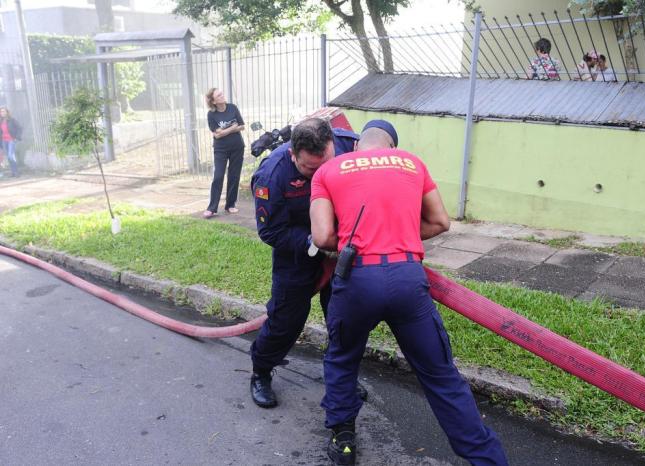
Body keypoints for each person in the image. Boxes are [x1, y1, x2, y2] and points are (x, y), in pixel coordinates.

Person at [310, 120, 509, 466]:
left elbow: (323, 236)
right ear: (391, 146)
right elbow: (441, 222)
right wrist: (401, 234)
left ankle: (343, 442)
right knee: (441, 376)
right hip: (407, 278)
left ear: (358, 145)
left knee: (342, 357)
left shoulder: (329, 170)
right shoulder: (412, 163)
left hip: (357, 280)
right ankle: (488, 460)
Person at [249, 117, 366, 408]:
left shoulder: (350, 147)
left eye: (327, 164)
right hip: (298, 254)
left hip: (342, 252)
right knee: (286, 321)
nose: (322, 175)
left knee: (344, 320)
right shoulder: (273, 173)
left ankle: (342, 378)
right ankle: (261, 371)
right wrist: (315, 243)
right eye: (311, 170)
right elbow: (270, 230)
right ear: (293, 154)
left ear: (332, 146)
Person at [203, 88, 246, 218]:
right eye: (219, 95)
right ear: (213, 101)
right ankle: (212, 208)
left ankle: (230, 205)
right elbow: (217, 135)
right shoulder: (211, 114)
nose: (222, 95)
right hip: (220, 150)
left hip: (237, 147)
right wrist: (233, 127)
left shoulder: (232, 108)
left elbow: (242, 125)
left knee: (234, 176)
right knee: (218, 176)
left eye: (222, 93)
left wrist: (225, 130)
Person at [0, 107, 22, 177]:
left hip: (11, 140)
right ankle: (13, 172)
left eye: (3, 111)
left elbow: (19, 128)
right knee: (9, 157)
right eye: (1, 112)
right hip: (4, 140)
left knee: (10, 155)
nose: (2, 113)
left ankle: (16, 172)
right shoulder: (1, 121)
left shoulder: (12, 120)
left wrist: (17, 137)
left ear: (7, 112)